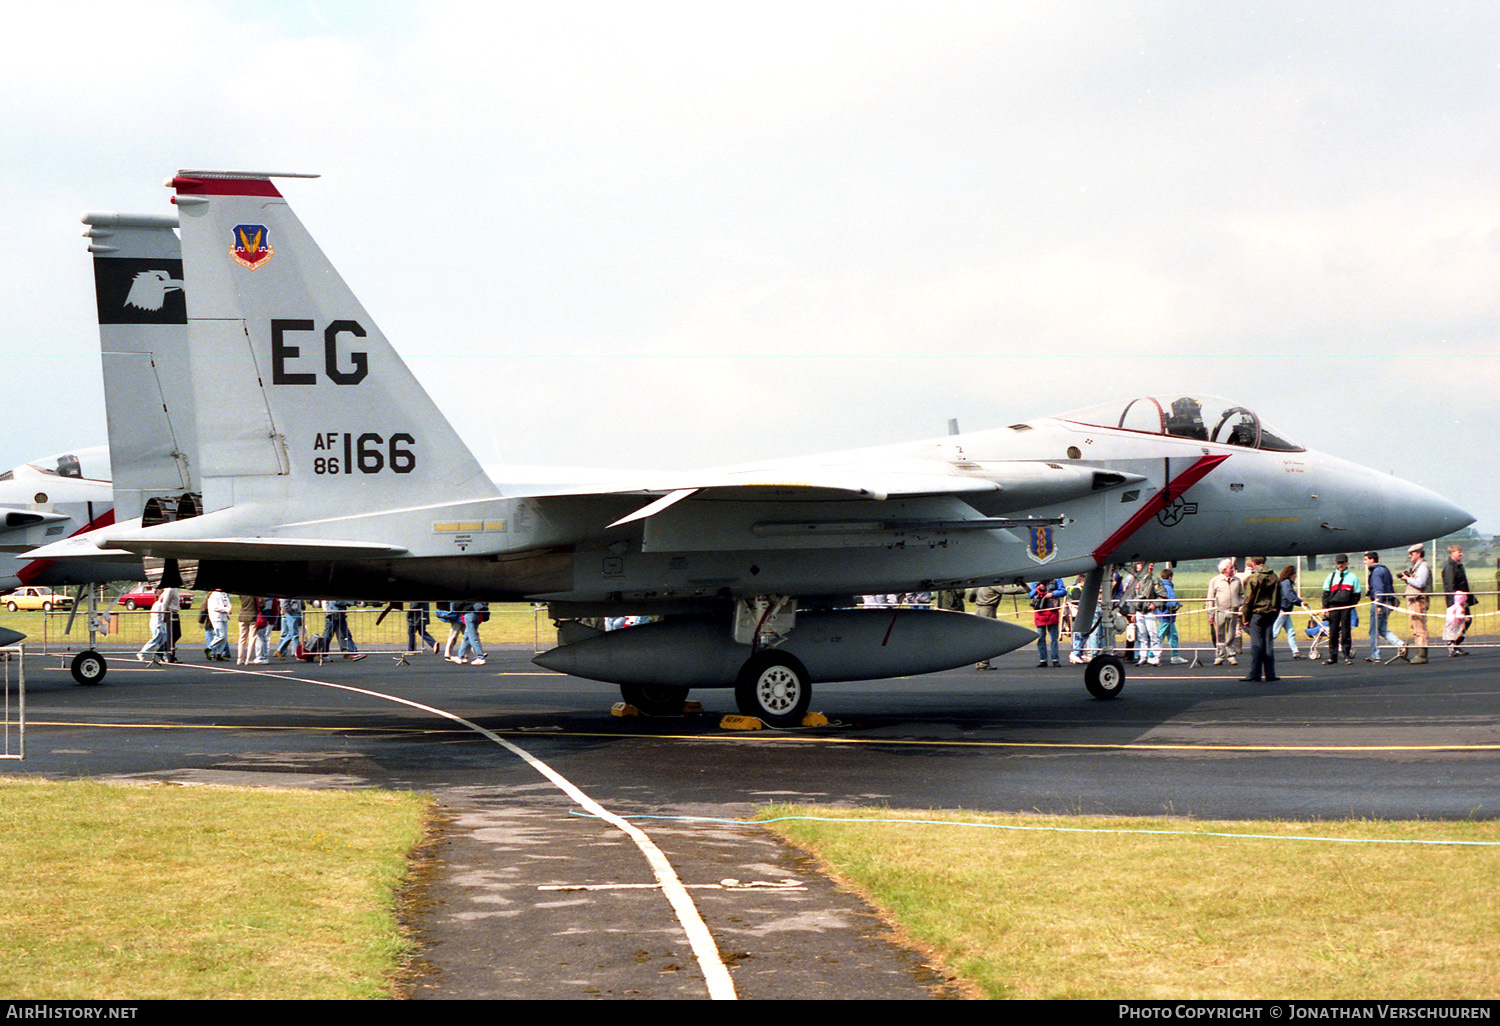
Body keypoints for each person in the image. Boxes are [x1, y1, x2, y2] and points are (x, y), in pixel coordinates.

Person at [1239, 556, 1281, 682]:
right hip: (1270, 613)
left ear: (1253, 563)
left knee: (1256, 644)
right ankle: (1270, 673)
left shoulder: (1253, 578)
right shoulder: (1274, 577)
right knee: (1268, 644)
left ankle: (1255, 673)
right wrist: (1275, 614)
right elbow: (1278, 598)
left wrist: (1245, 617)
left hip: (1257, 614)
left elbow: (1248, 600)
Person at [1362, 552, 1404, 662]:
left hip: (1380, 603)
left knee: (1374, 631)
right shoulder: (1384, 570)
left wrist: (1378, 605)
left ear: (1372, 559)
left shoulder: (1376, 572)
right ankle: (1400, 644)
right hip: (1388, 603)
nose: (1364, 562)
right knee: (1382, 629)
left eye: (1366, 559)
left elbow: (1378, 588)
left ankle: (1376, 654)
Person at [1320, 554, 1361, 665]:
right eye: (1338, 563)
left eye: (1342, 562)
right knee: (1333, 633)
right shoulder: (1331, 576)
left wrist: (1350, 606)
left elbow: (1357, 594)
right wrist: (1325, 607)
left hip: (1346, 608)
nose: (1340, 565)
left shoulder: (1353, 577)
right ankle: (1332, 657)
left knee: (1346, 631)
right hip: (1333, 608)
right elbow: (1326, 593)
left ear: (1347, 563)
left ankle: (1346, 655)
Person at [1397, 543, 1431, 664]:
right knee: (1415, 627)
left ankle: (1422, 655)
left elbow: (1420, 583)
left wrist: (1407, 579)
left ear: (1419, 553)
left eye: (1412, 553)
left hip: (1419, 600)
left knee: (1419, 627)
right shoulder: (1417, 566)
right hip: (1413, 600)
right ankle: (1419, 653)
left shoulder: (1423, 567)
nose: (1410, 556)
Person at [1205, 559, 1243, 666]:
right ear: (1224, 569)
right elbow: (1210, 598)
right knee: (1219, 634)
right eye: (1231, 568)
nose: (1233, 569)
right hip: (1219, 611)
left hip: (1233, 611)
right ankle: (1219, 656)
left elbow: (1241, 594)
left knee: (1231, 634)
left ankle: (1231, 655)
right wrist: (1210, 614)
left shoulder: (1237, 580)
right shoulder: (1215, 581)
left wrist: (1239, 604)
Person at [1441, 545, 1473, 657]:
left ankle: (1455, 644)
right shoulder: (1450, 567)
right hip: (1456, 602)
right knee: (1456, 623)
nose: (1461, 554)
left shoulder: (1458, 566)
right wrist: (1454, 604)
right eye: (1459, 552)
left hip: (1462, 600)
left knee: (1466, 621)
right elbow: (1450, 586)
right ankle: (1452, 645)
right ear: (1452, 553)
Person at [1129, 561, 1162, 666]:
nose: (1151, 566)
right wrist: (1132, 613)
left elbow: (1162, 595)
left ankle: (1156, 656)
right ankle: (1143, 656)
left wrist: (1155, 604)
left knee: (1153, 634)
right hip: (1139, 610)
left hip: (1149, 610)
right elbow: (1131, 596)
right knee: (1141, 635)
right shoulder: (1136, 580)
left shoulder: (1155, 579)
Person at [1029, 579, 1065, 667]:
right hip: (1039, 613)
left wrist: (1053, 594)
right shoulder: (1034, 580)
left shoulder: (1057, 579)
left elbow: (1063, 591)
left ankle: (1055, 659)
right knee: (1040, 637)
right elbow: (1030, 595)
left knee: (1053, 638)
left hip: (1052, 612)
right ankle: (1043, 660)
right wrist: (1038, 589)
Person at [1271, 566, 1305, 660]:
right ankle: (1264, 650)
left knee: (1291, 632)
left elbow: (1292, 595)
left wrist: (1300, 601)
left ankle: (1296, 652)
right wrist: (1299, 602)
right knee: (1274, 633)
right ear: (1291, 574)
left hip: (1286, 612)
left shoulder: (1287, 583)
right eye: (1295, 574)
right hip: (1282, 611)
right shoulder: (1286, 584)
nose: (1296, 576)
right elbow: (1289, 596)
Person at [1157, 568, 1187, 664]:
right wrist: (1177, 605)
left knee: (1173, 635)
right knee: (1160, 636)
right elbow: (1172, 604)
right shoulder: (1169, 588)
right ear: (1170, 577)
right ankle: (1151, 654)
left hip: (1164, 615)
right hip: (1167, 615)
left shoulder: (1159, 587)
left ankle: (1175, 655)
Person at [969, 587, 1004, 670]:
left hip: (978, 610)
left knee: (980, 637)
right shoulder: (994, 586)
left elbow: (971, 598)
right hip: (988, 610)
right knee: (987, 636)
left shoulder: (979, 586)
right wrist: (1025, 587)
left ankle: (979, 661)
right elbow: (1008, 591)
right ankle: (984, 663)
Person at [206, 588, 232, 661]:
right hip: (216, 618)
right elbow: (215, 607)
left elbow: (227, 603)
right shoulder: (213, 595)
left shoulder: (224, 594)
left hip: (224, 617)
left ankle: (219, 653)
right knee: (221, 635)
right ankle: (209, 648)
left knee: (225, 637)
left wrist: (228, 608)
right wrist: (226, 609)